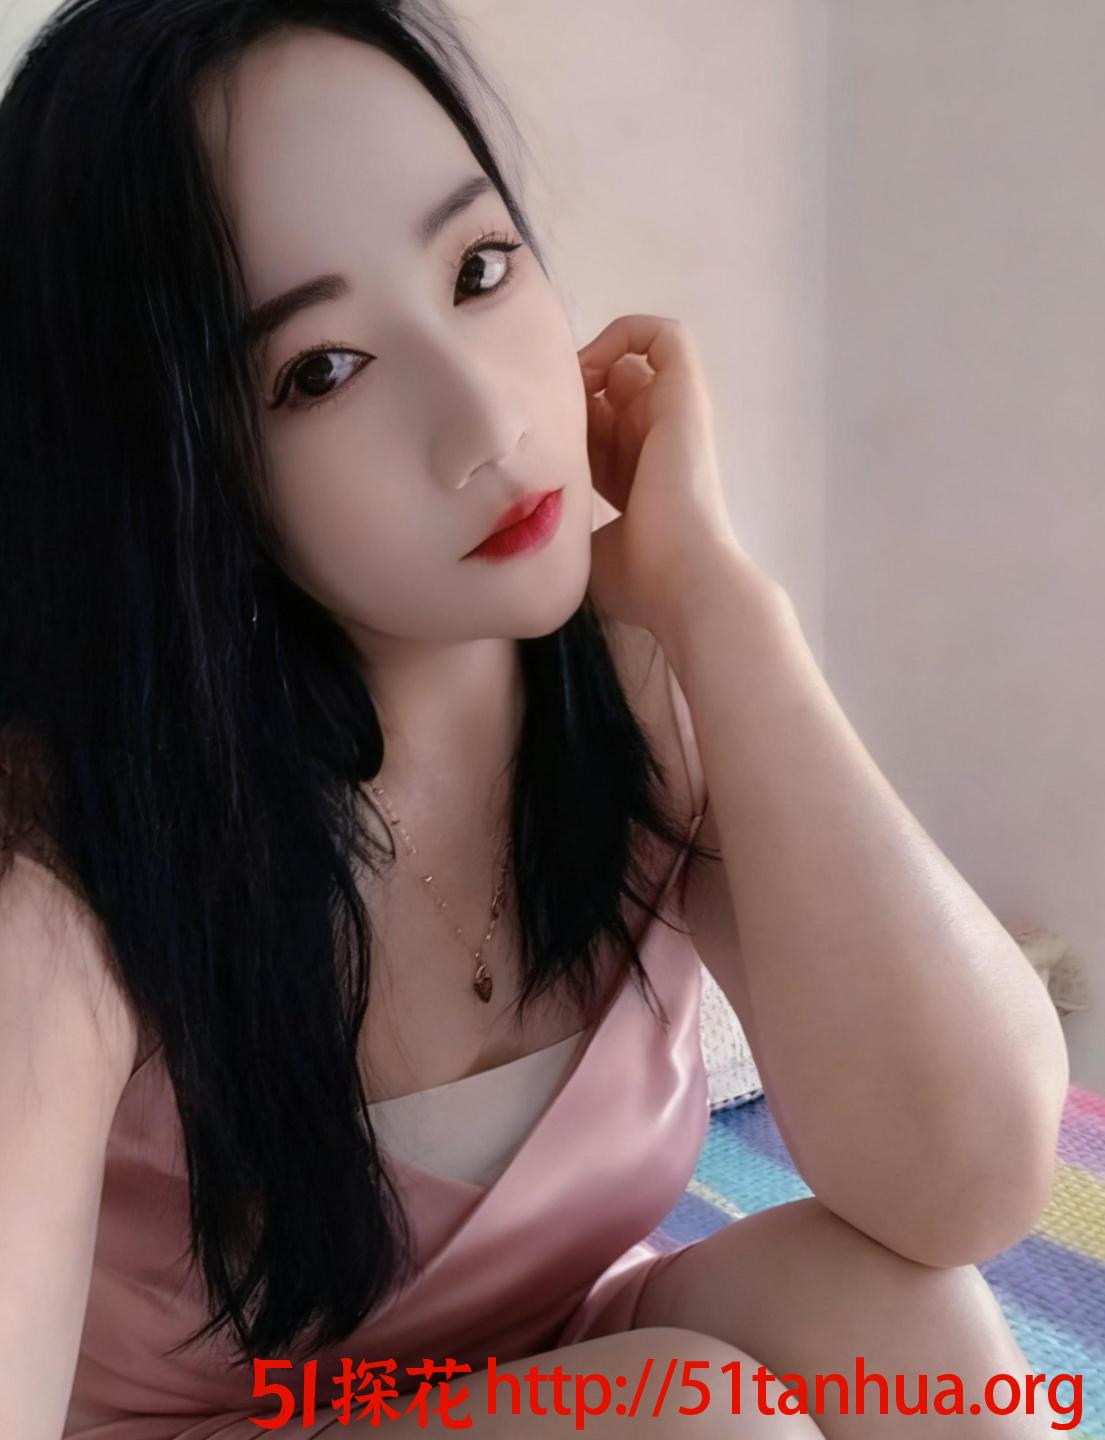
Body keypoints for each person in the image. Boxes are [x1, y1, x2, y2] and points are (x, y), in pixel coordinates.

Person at [0, 2, 1071, 1438]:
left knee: (904, 1323)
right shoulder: (60, 861)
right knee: (694, 1418)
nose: (486, 424)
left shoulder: (632, 686)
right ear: (168, 464)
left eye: (479, 268)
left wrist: (720, 601)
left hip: (558, 1361)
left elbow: (965, 1182)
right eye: (321, 370)